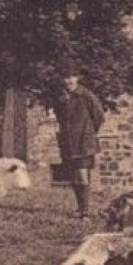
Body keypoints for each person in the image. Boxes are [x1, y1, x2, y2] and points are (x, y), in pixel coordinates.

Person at [54, 73, 105, 219]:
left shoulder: (87, 96)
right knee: (74, 177)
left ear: (77, 79)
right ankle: (79, 208)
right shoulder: (62, 98)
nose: (68, 80)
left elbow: (99, 117)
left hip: (84, 142)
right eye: (66, 77)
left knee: (83, 177)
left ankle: (85, 211)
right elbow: (60, 118)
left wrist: (88, 131)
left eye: (72, 77)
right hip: (69, 142)